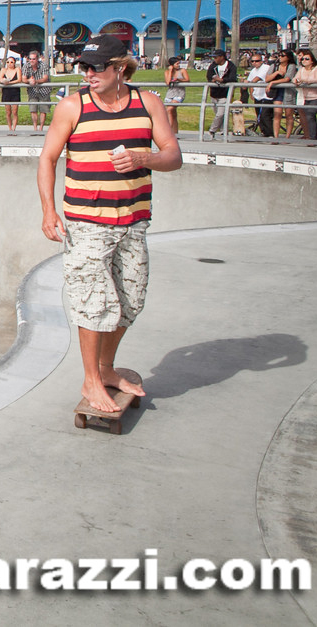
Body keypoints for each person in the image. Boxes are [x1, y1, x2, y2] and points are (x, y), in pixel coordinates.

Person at [38, 33, 181, 417]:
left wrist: (142, 158)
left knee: (130, 301)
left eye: (96, 67)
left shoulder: (147, 103)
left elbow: (173, 156)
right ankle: (90, 378)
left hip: (133, 222)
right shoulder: (72, 107)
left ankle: (105, 368)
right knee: (94, 304)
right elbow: (48, 159)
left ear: (120, 68)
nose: (88, 74)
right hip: (87, 225)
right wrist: (49, 212)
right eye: (84, 67)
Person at [291, 48, 317, 140]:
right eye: (303, 59)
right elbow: (295, 78)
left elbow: (316, 79)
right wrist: (295, 81)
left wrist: (303, 80)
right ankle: (312, 134)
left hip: (316, 96)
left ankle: (313, 137)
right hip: (305, 97)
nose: (304, 61)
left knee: (310, 115)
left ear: (312, 60)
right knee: (308, 117)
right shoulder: (302, 69)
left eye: (307, 59)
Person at [203, 48, 238, 141]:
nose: (214, 59)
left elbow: (233, 78)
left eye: (216, 57)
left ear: (222, 57)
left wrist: (222, 80)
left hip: (225, 94)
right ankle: (223, 131)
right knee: (219, 115)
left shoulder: (230, 66)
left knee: (220, 114)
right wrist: (213, 79)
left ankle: (212, 131)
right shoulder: (213, 66)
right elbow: (209, 76)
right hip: (214, 93)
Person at [245, 51, 274, 138]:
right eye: (252, 61)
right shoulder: (253, 70)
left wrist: (249, 82)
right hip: (257, 95)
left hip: (266, 96)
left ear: (261, 61)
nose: (254, 63)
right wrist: (251, 94)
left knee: (265, 115)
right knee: (259, 116)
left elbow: (255, 79)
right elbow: (250, 83)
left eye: (256, 61)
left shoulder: (266, 68)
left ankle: (270, 133)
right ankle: (264, 132)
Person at [24, 50, 52, 134]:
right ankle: (35, 128)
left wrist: (36, 81)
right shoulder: (26, 66)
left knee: (43, 110)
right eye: (30, 59)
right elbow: (23, 78)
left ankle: (41, 129)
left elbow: (45, 78)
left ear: (38, 59)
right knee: (33, 109)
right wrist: (29, 80)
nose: (31, 61)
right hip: (32, 91)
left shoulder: (43, 66)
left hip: (44, 91)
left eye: (34, 59)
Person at [162, 55, 189, 134]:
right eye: (177, 63)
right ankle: (175, 133)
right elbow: (167, 82)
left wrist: (179, 79)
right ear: (172, 65)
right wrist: (170, 71)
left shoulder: (182, 70)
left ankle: (169, 132)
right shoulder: (167, 72)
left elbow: (187, 80)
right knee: (173, 113)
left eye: (179, 63)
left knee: (169, 109)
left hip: (179, 93)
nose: (179, 65)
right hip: (170, 93)